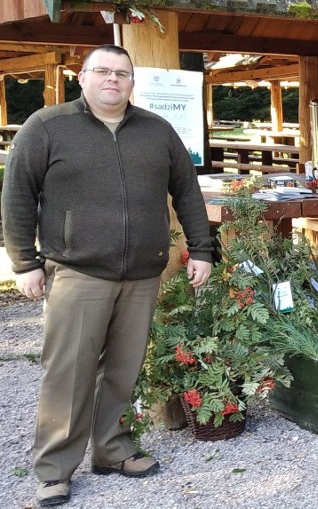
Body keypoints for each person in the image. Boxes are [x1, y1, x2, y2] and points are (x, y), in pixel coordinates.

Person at [1, 45, 214, 507]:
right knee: (68, 372)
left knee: (122, 369)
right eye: (103, 71)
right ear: (82, 77)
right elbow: (17, 194)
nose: (113, 80)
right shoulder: (47, 127)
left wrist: (202, 249)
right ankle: (54, 469)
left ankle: (112, 449)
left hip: (141, 271)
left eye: (122, 73)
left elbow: (187, 192)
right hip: (78, 270)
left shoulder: (157, 132)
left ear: (132, 82)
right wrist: (24, 262)